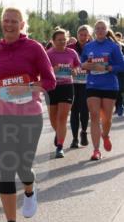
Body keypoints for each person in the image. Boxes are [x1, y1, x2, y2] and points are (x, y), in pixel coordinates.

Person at [0, 7, 55, 222]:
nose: (9, 24)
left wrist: (27, 88)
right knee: (6, 167)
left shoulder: (34, 48)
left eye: (14, 21)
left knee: (24, 167)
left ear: (22, 24)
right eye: (5, 20)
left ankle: (30, 189)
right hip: (1, 115)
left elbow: (50, 81)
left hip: (29, 115)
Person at [81, 18, 124, 161]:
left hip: (110, 85)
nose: (99, 30)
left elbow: (121, 66)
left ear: (106, 30)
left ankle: (105, 135)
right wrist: (85, 65)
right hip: (92, 84)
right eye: (97, 28)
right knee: (94, 115)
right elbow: (82, 64)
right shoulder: (88, 47)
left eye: (102, 28)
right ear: (94, 31)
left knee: (107, 119)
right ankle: (96, 150)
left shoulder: (113, 47)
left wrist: (106, 68)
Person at [46, 27, 81, 158]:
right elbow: (42, 70)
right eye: (59, 40)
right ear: (53, 41)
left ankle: (59, 146)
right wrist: (52, 70)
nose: (62, 42)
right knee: (53, 119)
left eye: (64, 39)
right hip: (52, 87)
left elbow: (78, 65)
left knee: (62, 117)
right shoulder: (48, 54)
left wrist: (75, 71)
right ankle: (59, 133)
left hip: (67, 86)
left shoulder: (72, 53)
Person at [69, 26, 91, 149]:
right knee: (74, 110)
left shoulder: (93, 48)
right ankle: (75, 138)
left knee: (84, 109)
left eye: (85, 35)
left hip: (88, 83)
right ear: (77, 35)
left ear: (89, 35)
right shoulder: (70, 48)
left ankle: (83, 131)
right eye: (80, 34)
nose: (83, 37)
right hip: (73, 83)